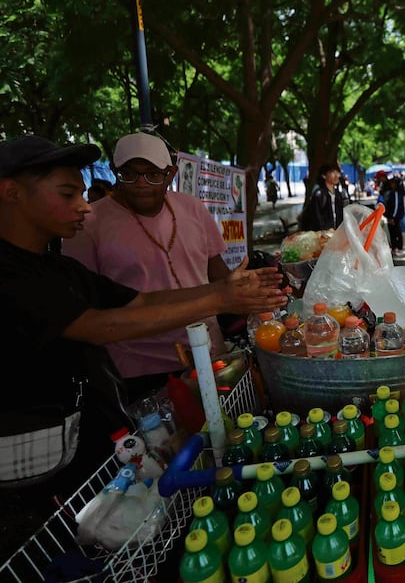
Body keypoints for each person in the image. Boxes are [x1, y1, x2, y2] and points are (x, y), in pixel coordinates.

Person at [0, 134, 284, 504]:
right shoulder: (11, 273)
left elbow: (140, 300)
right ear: (11, 192)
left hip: (86, 436)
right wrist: (220, 296)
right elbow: (100, 325)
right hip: (33, 465)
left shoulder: (57, 269)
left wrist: (226, 290)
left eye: (154, 175)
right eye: (67, 194)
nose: (84, 207)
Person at [62, 132, 237, 400]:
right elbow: (86, 306)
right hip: (138, 369)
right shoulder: (89, 223)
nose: (141, 183)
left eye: (153, 174)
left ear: (171, 173)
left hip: (208, 351)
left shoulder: (192, 208)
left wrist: (246, 293)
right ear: (114, 172)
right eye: (129, 174)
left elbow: (219, 274)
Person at [300, 163, 346, 232]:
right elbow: (316, 217)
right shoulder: (319, 194)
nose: (336, 176)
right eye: (332, 173)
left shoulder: (338, 194)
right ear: (324, 175)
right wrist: (325, 230)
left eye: (337, 173)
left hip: (335, 233)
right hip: (322, 235)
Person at [382, 176, 405, 257]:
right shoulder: (393, 192)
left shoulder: (396, 193)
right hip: (392, 216)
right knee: (393, 232)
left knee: (396, 232)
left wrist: (392, 217)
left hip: (394, 217)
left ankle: (398, 247)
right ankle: (395, 247)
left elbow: (396, 206)